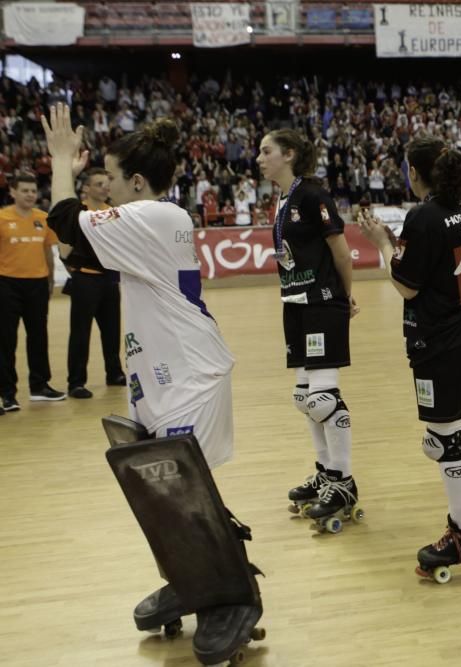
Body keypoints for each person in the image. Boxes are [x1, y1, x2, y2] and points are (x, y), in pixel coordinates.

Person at [42, 104, 259, 658]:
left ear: (137, 181)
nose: (105, 189)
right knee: (163, 493)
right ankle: (192, 579)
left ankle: (230, 598)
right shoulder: (143, 227)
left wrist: (61, 161)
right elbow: (76, 249)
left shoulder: (159, 216)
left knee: (184, 493)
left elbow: (66, 219)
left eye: (110, 179)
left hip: (190, 374)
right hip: (161, 376)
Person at [358, 136, 461, 581]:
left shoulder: (423, 216)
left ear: (415, 172)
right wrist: (396, 244)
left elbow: (406, 285)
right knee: (459, 428)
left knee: (442, 439)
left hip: (438, 342)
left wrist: (379, 244)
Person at [256, 129, 361, 529]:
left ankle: (343, 478)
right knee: (305, 397)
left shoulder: (314, 195)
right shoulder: (282, 199)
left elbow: (341, 252)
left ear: (290, 154)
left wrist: (345, 296)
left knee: (323, 398)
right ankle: (325, 471)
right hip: (294, 304)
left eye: (267, 151)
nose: (260, 158)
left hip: (321, 302)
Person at [0, 172, 65, 412]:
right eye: (25, 190)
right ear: (13, 192)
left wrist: (49, 280)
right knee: (6, 340)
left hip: (37, 284)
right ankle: (7, 393)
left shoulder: (43, 218)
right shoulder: (2, 217)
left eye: (33, 191)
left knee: (38, 336)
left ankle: (40, 387)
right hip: (6, 284)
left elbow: (48, 251)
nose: (30, 195)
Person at [62, 167, 126, 399]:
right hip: (85, 278)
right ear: (86, 188)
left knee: (112, 330)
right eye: (99, 184)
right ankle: (76, 382)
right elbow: (64, 244)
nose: (105, 187)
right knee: (80, 332)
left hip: (109, 278)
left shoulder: (114, 212)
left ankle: (114, 373)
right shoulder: (79, 212)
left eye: (106, 183)